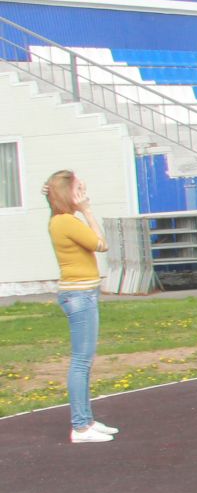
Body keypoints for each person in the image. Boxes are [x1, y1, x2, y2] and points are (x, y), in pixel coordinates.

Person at [43, 170, 116, 443]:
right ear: (67, 193)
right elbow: (101, 243)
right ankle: (80, 426)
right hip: (79, 296)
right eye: (79, 189)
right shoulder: (65, 222)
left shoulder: (63, 221)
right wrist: (88, 210)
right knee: (81, 362)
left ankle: (86, 421)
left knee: (84, 362)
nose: (83, 193)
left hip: (83, 294)